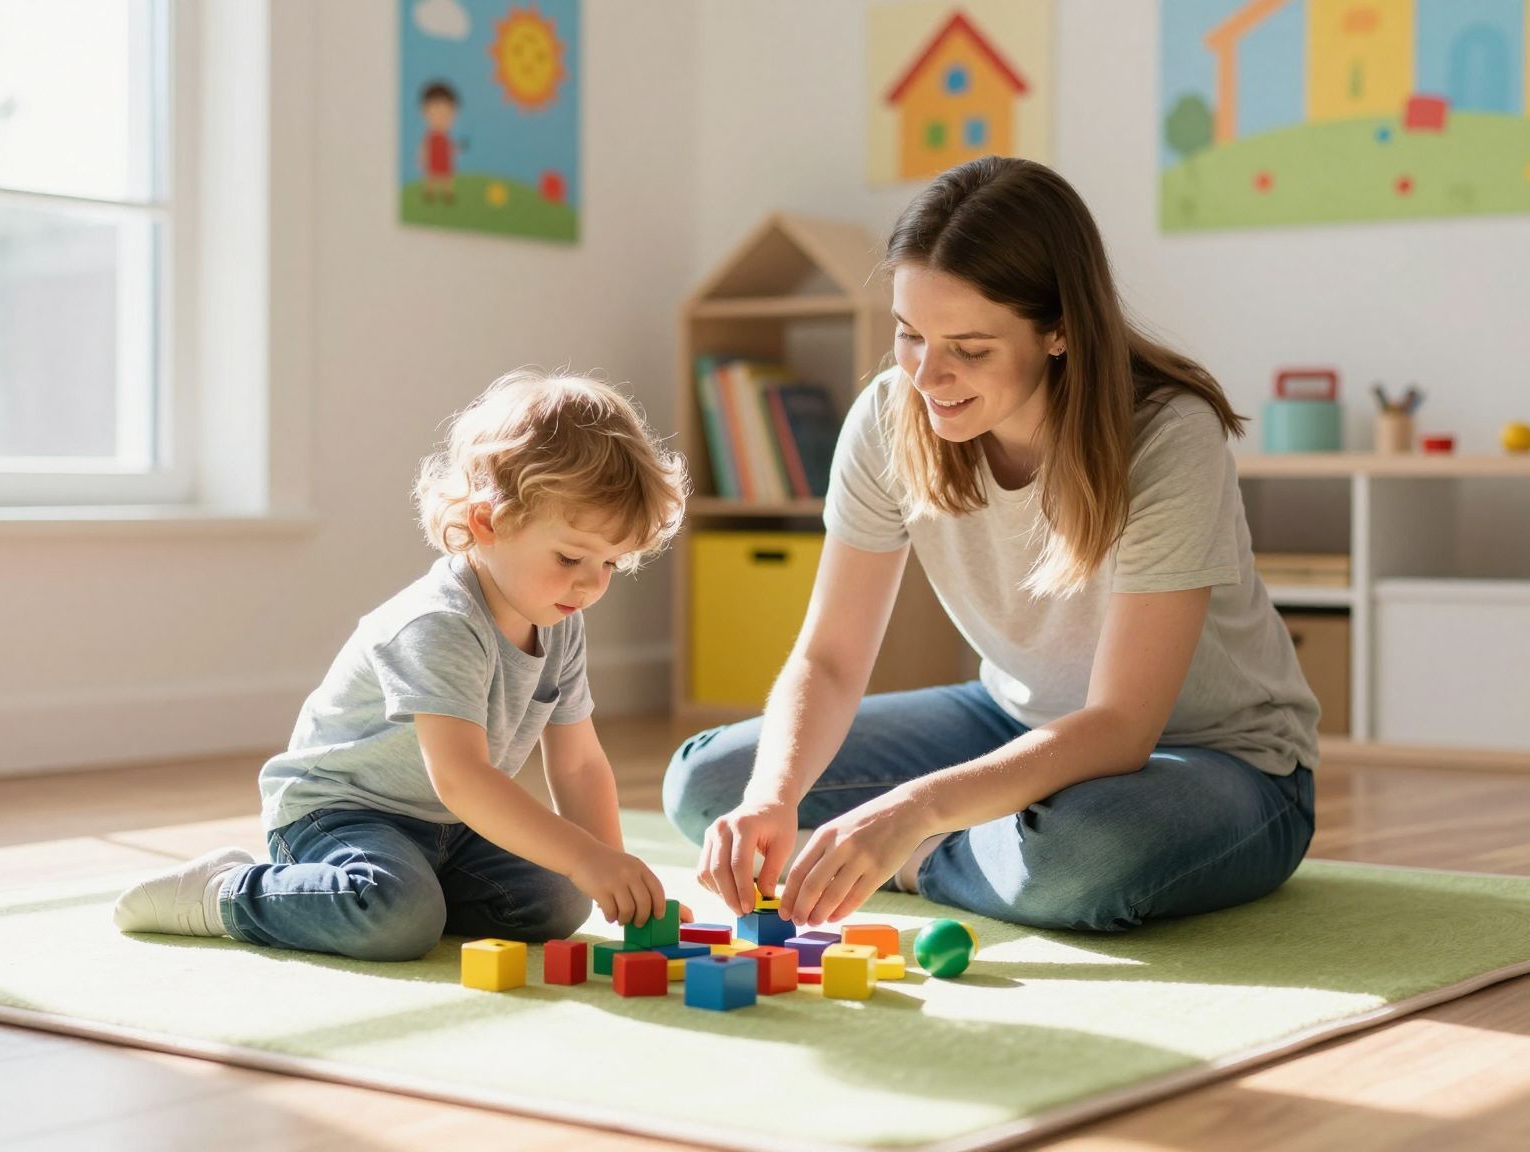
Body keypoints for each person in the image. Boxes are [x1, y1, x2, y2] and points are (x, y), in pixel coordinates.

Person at [664, 156, 1320, 933]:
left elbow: (1120, 724)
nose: (928, 375)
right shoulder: (887, 419)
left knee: (1084, 852)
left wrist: (912, 815)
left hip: (1214, 758)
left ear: (1060, 331)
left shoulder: (1168, 436)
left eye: (969, 350)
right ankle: (975, 853)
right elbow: (830, 660)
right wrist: (772, 799)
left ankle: (918, 864)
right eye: (910, 335)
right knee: (713, 784)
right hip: (1015, 718)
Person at [115, 370, 689, 960]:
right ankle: (227, 892)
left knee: (563, 898)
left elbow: (579, 766)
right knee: (394, 914)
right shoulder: (438, 623)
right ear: (486, 523)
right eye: (571, 557)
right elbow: (463, 777)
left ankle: (410, 891)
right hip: (340, 810)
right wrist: (587, 856)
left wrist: (615, 870)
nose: (592, 584)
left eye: (611, 564)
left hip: (450, 826)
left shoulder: (561, 618)